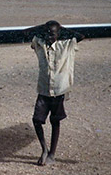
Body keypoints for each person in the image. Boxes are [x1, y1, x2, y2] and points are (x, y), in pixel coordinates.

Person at [30, 21, 84, 166]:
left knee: (55, 121)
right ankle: (44, 149)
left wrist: (61, 30)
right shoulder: (39, 44)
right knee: (36, 120)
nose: (49, 36)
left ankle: (52, 154)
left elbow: (81, 36)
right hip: (43, 90)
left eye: (52, 34)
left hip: (59, 90)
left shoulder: (67, 45)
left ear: (58, 34)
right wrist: (43, 28)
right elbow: (26, 33)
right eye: (47, 33)